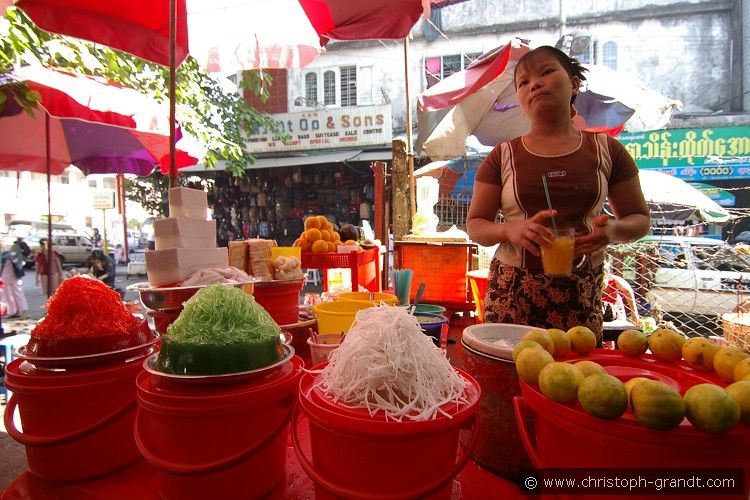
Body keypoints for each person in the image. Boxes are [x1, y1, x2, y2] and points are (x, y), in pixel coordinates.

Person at [466, 46, 650, 344]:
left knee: (574, 381)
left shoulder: (608, 150)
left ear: (574, 83)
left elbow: (640, 220)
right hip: (513, 296)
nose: (534, 84)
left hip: (580, 294)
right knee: (513, 381)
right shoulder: (502, 156)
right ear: (520, 100)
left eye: (546, 72)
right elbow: (476, 224)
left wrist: (613, 229)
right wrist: (510, 229)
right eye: (523, 82)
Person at [0, 240, 29, 319]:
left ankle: (15, 311)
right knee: (15, 293)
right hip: (10, 277)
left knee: (9, 294)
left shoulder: (12, 254)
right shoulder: (16, 255)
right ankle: (18, 311)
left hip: (7, 277)